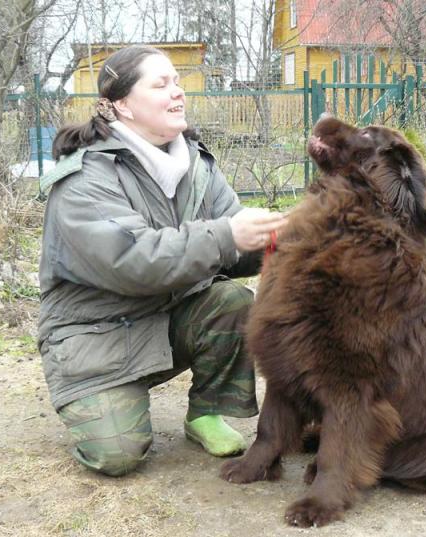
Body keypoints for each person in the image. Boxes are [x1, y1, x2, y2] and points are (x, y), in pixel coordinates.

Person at [37, 45, 286, 477]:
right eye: (160, 84)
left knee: (232, 301)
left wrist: (284, 241)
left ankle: (206, 412)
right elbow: (134, 259)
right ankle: (105, 399)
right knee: (117, 456)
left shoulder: (196, 165)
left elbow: (231, 247)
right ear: (121, 105)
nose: (178, 93)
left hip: (166, 317)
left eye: (177, 81)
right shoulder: (84, 178)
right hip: (97, 336)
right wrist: (228, 234)